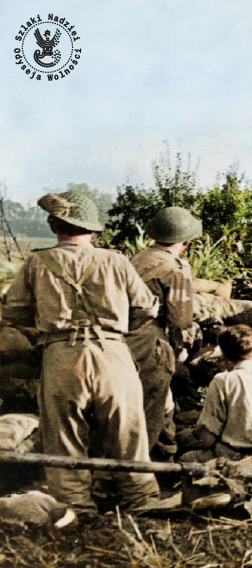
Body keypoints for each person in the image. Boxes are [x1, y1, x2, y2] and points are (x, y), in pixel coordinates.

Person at [1, 191, 160, 510]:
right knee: (128, 433)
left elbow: (12, 311)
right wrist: (115, 330)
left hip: (61, 355)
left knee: (64, 437)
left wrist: (44, 327)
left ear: (53, 225)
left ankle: (75, 508)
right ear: (93, 230)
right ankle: (141, 501)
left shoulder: (37, 262)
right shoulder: (116, 260)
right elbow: (147, 309)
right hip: (112, 352)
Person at [126, 207, 201, 452]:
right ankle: (149, 463)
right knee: (154, 407)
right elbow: (180, 318)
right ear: (185, 242)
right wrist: (181, 349)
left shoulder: (137, 259)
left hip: (120, 339)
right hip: (150, 342)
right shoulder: (176, 267)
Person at [180, 325, 252, 461]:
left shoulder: (223, 380)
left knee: (185, 458)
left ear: (223, 353)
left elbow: (207, 439)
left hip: (243, 457)